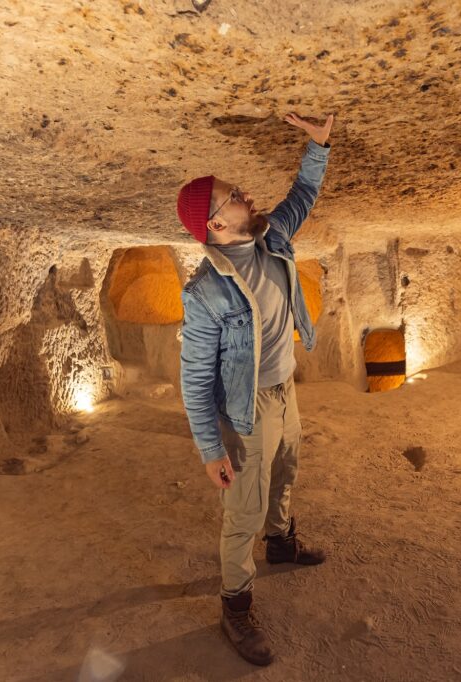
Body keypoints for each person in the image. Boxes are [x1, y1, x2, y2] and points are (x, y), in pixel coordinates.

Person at [175, 112, 334, 666]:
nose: (246, 194)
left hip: (284, 387)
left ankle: (283, 542)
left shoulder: (272, 237)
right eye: (233, 196)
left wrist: (318, 145)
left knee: (287, 467)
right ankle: (235, 605)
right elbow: (194, 378)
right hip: (244, 409)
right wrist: (209, 448)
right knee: (243, 507)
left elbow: (303, 195)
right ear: (216, 225)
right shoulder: (205, 294)